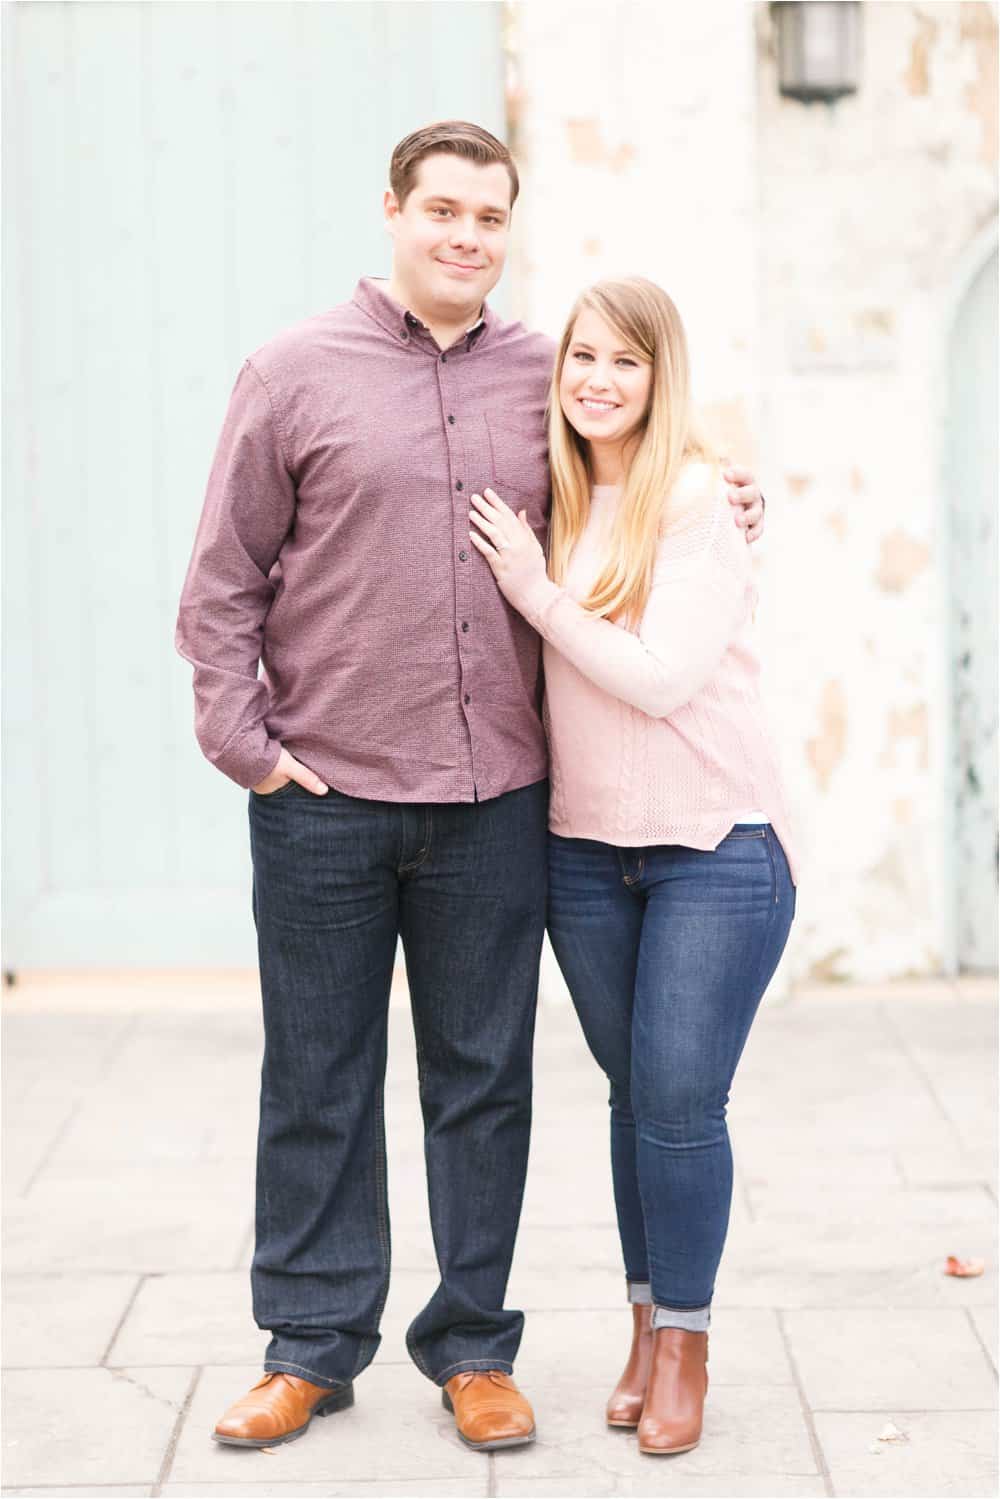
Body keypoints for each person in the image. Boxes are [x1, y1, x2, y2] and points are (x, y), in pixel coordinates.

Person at [176, 123, 765, 1454]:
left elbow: (642, 470)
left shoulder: (543, 377)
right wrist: (250, 749)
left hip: (497, 793)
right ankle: (310, 1345)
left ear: (509, 230)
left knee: (483, 1077)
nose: (467, 236)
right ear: (390, 212)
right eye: (442, 210)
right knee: (317, 1072)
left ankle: (473, 1346)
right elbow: (221, 584)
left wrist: (732, 492)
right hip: (322, 791)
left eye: (491, 217)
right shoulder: (288, 373)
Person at [468, 276, 796, 1456]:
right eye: (580, 360)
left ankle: (689, 1346)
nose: (597, 380)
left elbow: (658, 676)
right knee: (631, 1097)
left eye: (625, 361)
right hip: (584, 852)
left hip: (715, 845)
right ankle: (645, 1322)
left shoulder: (700, 501)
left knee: (675, 1100)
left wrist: (533, 589)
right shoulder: (549, 497)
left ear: (663, 377)